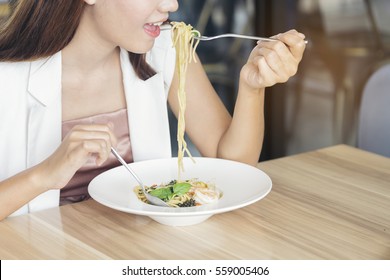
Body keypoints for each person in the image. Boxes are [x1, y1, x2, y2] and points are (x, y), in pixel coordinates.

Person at [0, 0, 306, 220]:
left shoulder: (167, 48)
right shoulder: (7, 77)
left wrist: (252, 86)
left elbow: (236, 162)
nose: (171, 5)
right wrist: (44, 175)